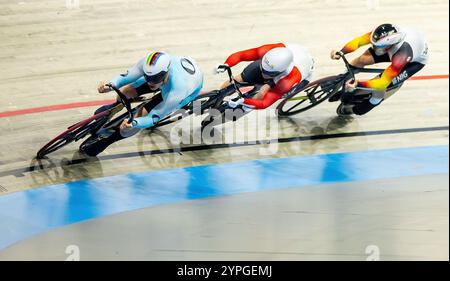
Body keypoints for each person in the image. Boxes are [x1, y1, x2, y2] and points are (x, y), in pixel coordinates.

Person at [80, 51, 203, 156]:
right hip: (169, 78)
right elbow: (125, 77)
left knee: (139, 118)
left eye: (154, 79)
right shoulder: (149, 66)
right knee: (124, 92)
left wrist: (134, 123)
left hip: (186, 90)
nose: (150, 82)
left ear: (166, 73)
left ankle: (106, 142)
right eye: (147, 77)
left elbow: (155, 117)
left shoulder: (177, 90)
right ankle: (112, 109)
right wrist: (110, 85)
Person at [330, 23, 428, 116]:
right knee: (362, 59)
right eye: (373, 44)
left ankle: (373, 101)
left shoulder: (401, 56)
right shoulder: (382, 34)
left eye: (377, 46)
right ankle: (343, 79)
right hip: (394, 48)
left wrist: (359, 84)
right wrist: (342, 51)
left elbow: (382, 82)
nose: (374, 47)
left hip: (413, 62)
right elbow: (359, 41)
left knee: (378, 85)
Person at [214, 43, 314, 111]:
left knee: (263, 92)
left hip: (299, 74)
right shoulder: (269, 50)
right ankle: (217, 96)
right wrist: (226, 64)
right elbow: (241, 55)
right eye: (263, 69)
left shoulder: (289, 79)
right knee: (238, 79)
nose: (263, 74)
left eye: (268, 74)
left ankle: (245, 107)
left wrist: (243, 101)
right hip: (278, 62)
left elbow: (264, 103)